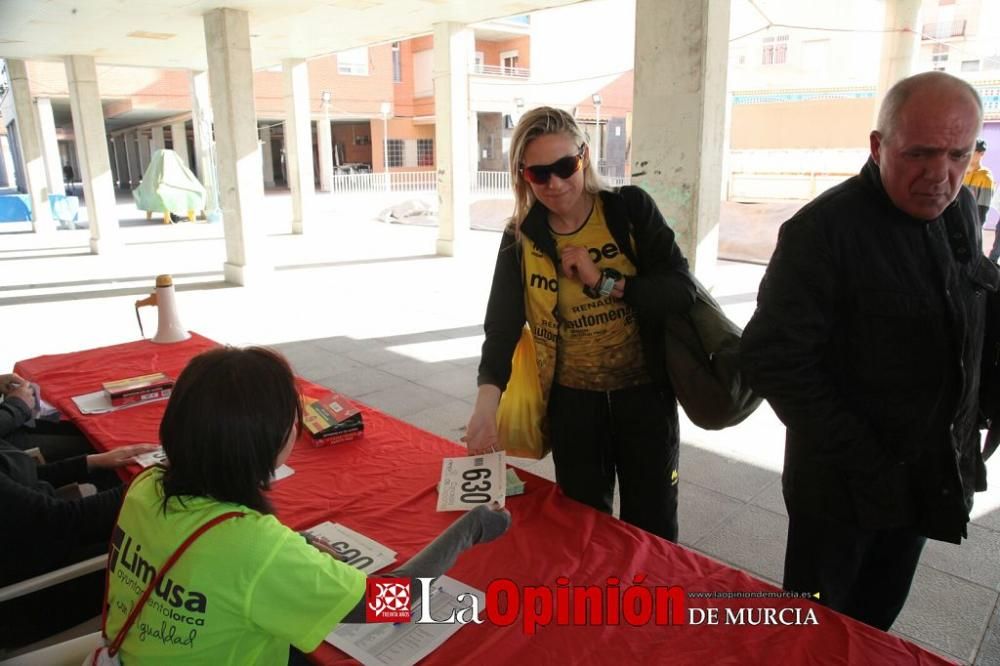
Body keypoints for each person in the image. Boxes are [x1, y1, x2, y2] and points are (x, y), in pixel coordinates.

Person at [740, 71, 994, 631]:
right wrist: (868, 460)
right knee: (814, 630)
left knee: (877, 623)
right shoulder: (822, 231)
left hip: (927, 473)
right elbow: (774, 361)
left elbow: (973, 303)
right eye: (920, 154)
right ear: (878, 146)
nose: (940, 175)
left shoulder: (962, 211)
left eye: (957, 154)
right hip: (841, 491)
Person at [104, 347, 511, 664]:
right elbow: (392, 600)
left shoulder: (145, 485)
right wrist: (471, 529)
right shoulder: (253, 547)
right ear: (269, 442)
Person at [463, 107, 695, 542]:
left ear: (584, 157)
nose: (555, 183)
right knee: (583, 529)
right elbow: (502, 325)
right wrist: (485, 404)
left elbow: (680, 291)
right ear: (523, 174)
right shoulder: (521, 236)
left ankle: (653, 609)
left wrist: (606, 282)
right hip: (573, 407)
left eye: (565, 167)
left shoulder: (628, 210)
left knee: (654, 527)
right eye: (539, 173)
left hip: (644, 398)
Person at [0, 372, 154, 648]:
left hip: (40, 536)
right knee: (168, 528)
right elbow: (63, 521)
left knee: (117, 477)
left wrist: (93, 461)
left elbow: (18, 475)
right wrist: (156, 481)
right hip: (37, 594)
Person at [965, 139, 999, 260]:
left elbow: (982, 209)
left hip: (969, 226)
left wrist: (975, 230)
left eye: (973, 151)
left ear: (981, 154)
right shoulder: (962, 172)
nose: (969, 154)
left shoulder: (985, 176)